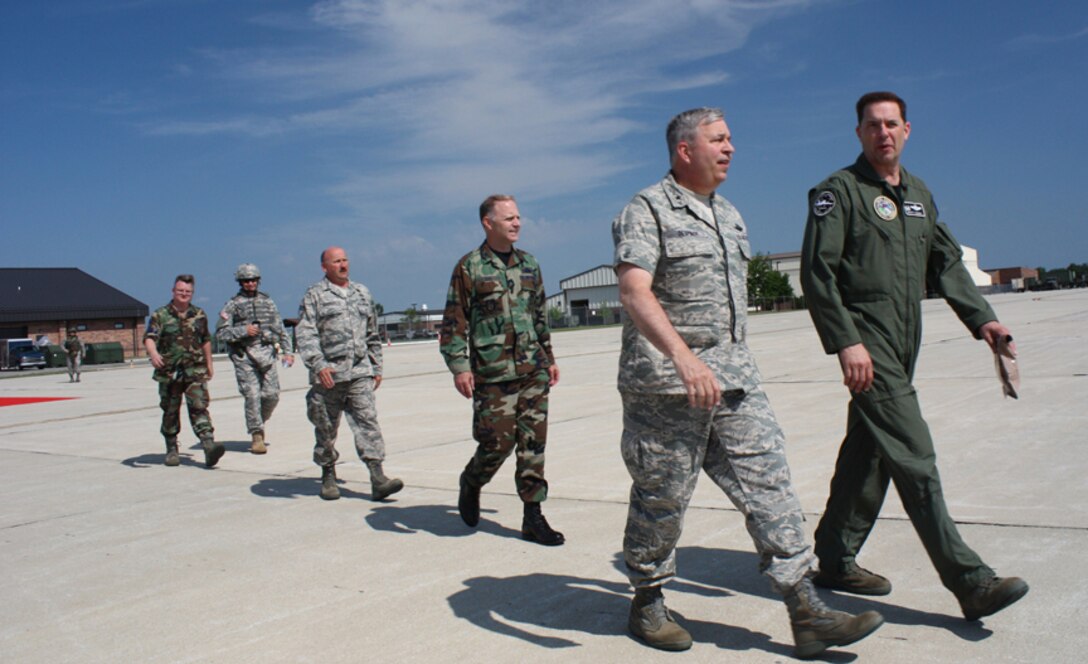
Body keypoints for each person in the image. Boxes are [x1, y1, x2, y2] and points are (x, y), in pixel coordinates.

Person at [612, 107, 882, 657]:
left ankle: (806, 609)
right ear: (685, 150)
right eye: (718, 139)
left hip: (734, 381)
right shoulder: (647, 209)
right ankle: (647, 598)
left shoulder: (730, 214)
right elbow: (635, 292)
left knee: (771, 486)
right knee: (662, 499)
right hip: (666, 388)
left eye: (730, 138)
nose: (730, 148)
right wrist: (684, 358)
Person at [800, 91, 1028, 620]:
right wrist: (846, 342)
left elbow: (945, 261)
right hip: (867, 340)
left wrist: (984, 320)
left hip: (906, 341)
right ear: (858, 133)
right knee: (913, 454)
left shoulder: (919, 194)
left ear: (907, 130)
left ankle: (834, 557)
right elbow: (818, 273)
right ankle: (969, 581)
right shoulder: (840, 193)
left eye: (892, 124)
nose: (883, 132)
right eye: (873, 125)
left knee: (871, 451)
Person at [439, 195, 564, 547]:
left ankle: (532, 516)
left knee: (533, 443)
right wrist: (459, 367)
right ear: (487, 223)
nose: (517, 223)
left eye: (518, 217)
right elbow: (454, 322)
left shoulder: (529, 264)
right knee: (497, 442)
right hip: (493, 373)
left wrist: (549, 356)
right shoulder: (470, 267)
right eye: (508, 218)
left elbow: (540, 315)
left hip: (533, 369)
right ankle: (473, 481)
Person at [295, 247, 403, 502]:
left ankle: (378, 477)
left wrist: (376, 366)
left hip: (359, 372)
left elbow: (372, 333)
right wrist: (318, 364)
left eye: (345, 260)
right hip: (330, 375)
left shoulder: (362, 292)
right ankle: (328, 474)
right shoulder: (315, 295)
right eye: (336, 261)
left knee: (368, 422)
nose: (343, 265)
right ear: (325, 267)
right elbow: (306, 333)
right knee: (326, 427)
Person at [144, 274, 224, 468]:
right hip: (169, 371)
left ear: (192, 294)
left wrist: (209, 364)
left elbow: (205, 340)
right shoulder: (160, 314)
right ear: (173, 291)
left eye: (188, 292)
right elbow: (150, 337)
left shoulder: (199, 314)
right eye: (180, 291)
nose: (184, 294)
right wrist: (153, 354)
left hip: (194, 370)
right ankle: (171, 448)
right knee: (170, 410)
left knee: (199, 406)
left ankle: (208, 445)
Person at [216, 263, 294, 454]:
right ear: (240, 283)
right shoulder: (232, 305)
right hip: (244, 356)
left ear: (258, 281)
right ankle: (257, 435)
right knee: (252, 396)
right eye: (246, 281)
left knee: (271, 395)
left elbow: (279, 328)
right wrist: (244, 330)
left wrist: (288, 351)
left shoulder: (268, 302)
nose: (250, 284)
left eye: (253, 280)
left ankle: (259, 420)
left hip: (267, 354)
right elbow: (221, 333)